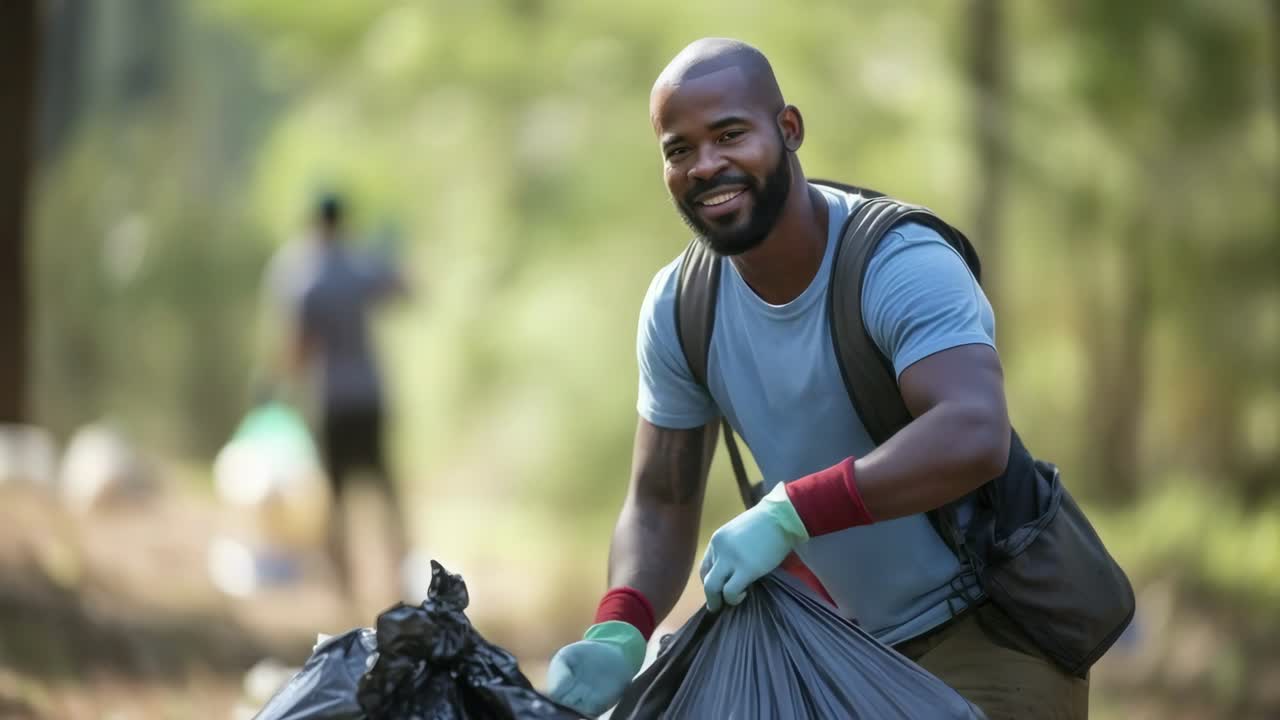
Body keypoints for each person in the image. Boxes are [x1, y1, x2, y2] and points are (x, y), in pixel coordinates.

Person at [545, 38, 1088, 719]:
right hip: (835, 643)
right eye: (679, 149)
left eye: (729, 134)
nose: (707, 165)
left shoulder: (896, 260)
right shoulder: (680, 305)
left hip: (990, 628)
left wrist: (790, 512)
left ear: (789, 129)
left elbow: (974, 432)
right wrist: (620, 627)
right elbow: (661, 500)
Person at [265, 192, 411, 609]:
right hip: (369, 394)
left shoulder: (303, 276)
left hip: (332, 399)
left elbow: (298, 346)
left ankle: (346, 592)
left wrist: (277, 384)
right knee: (385, 492)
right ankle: (401, 581)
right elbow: (402, 288)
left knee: (336, 498)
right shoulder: (359, 265)